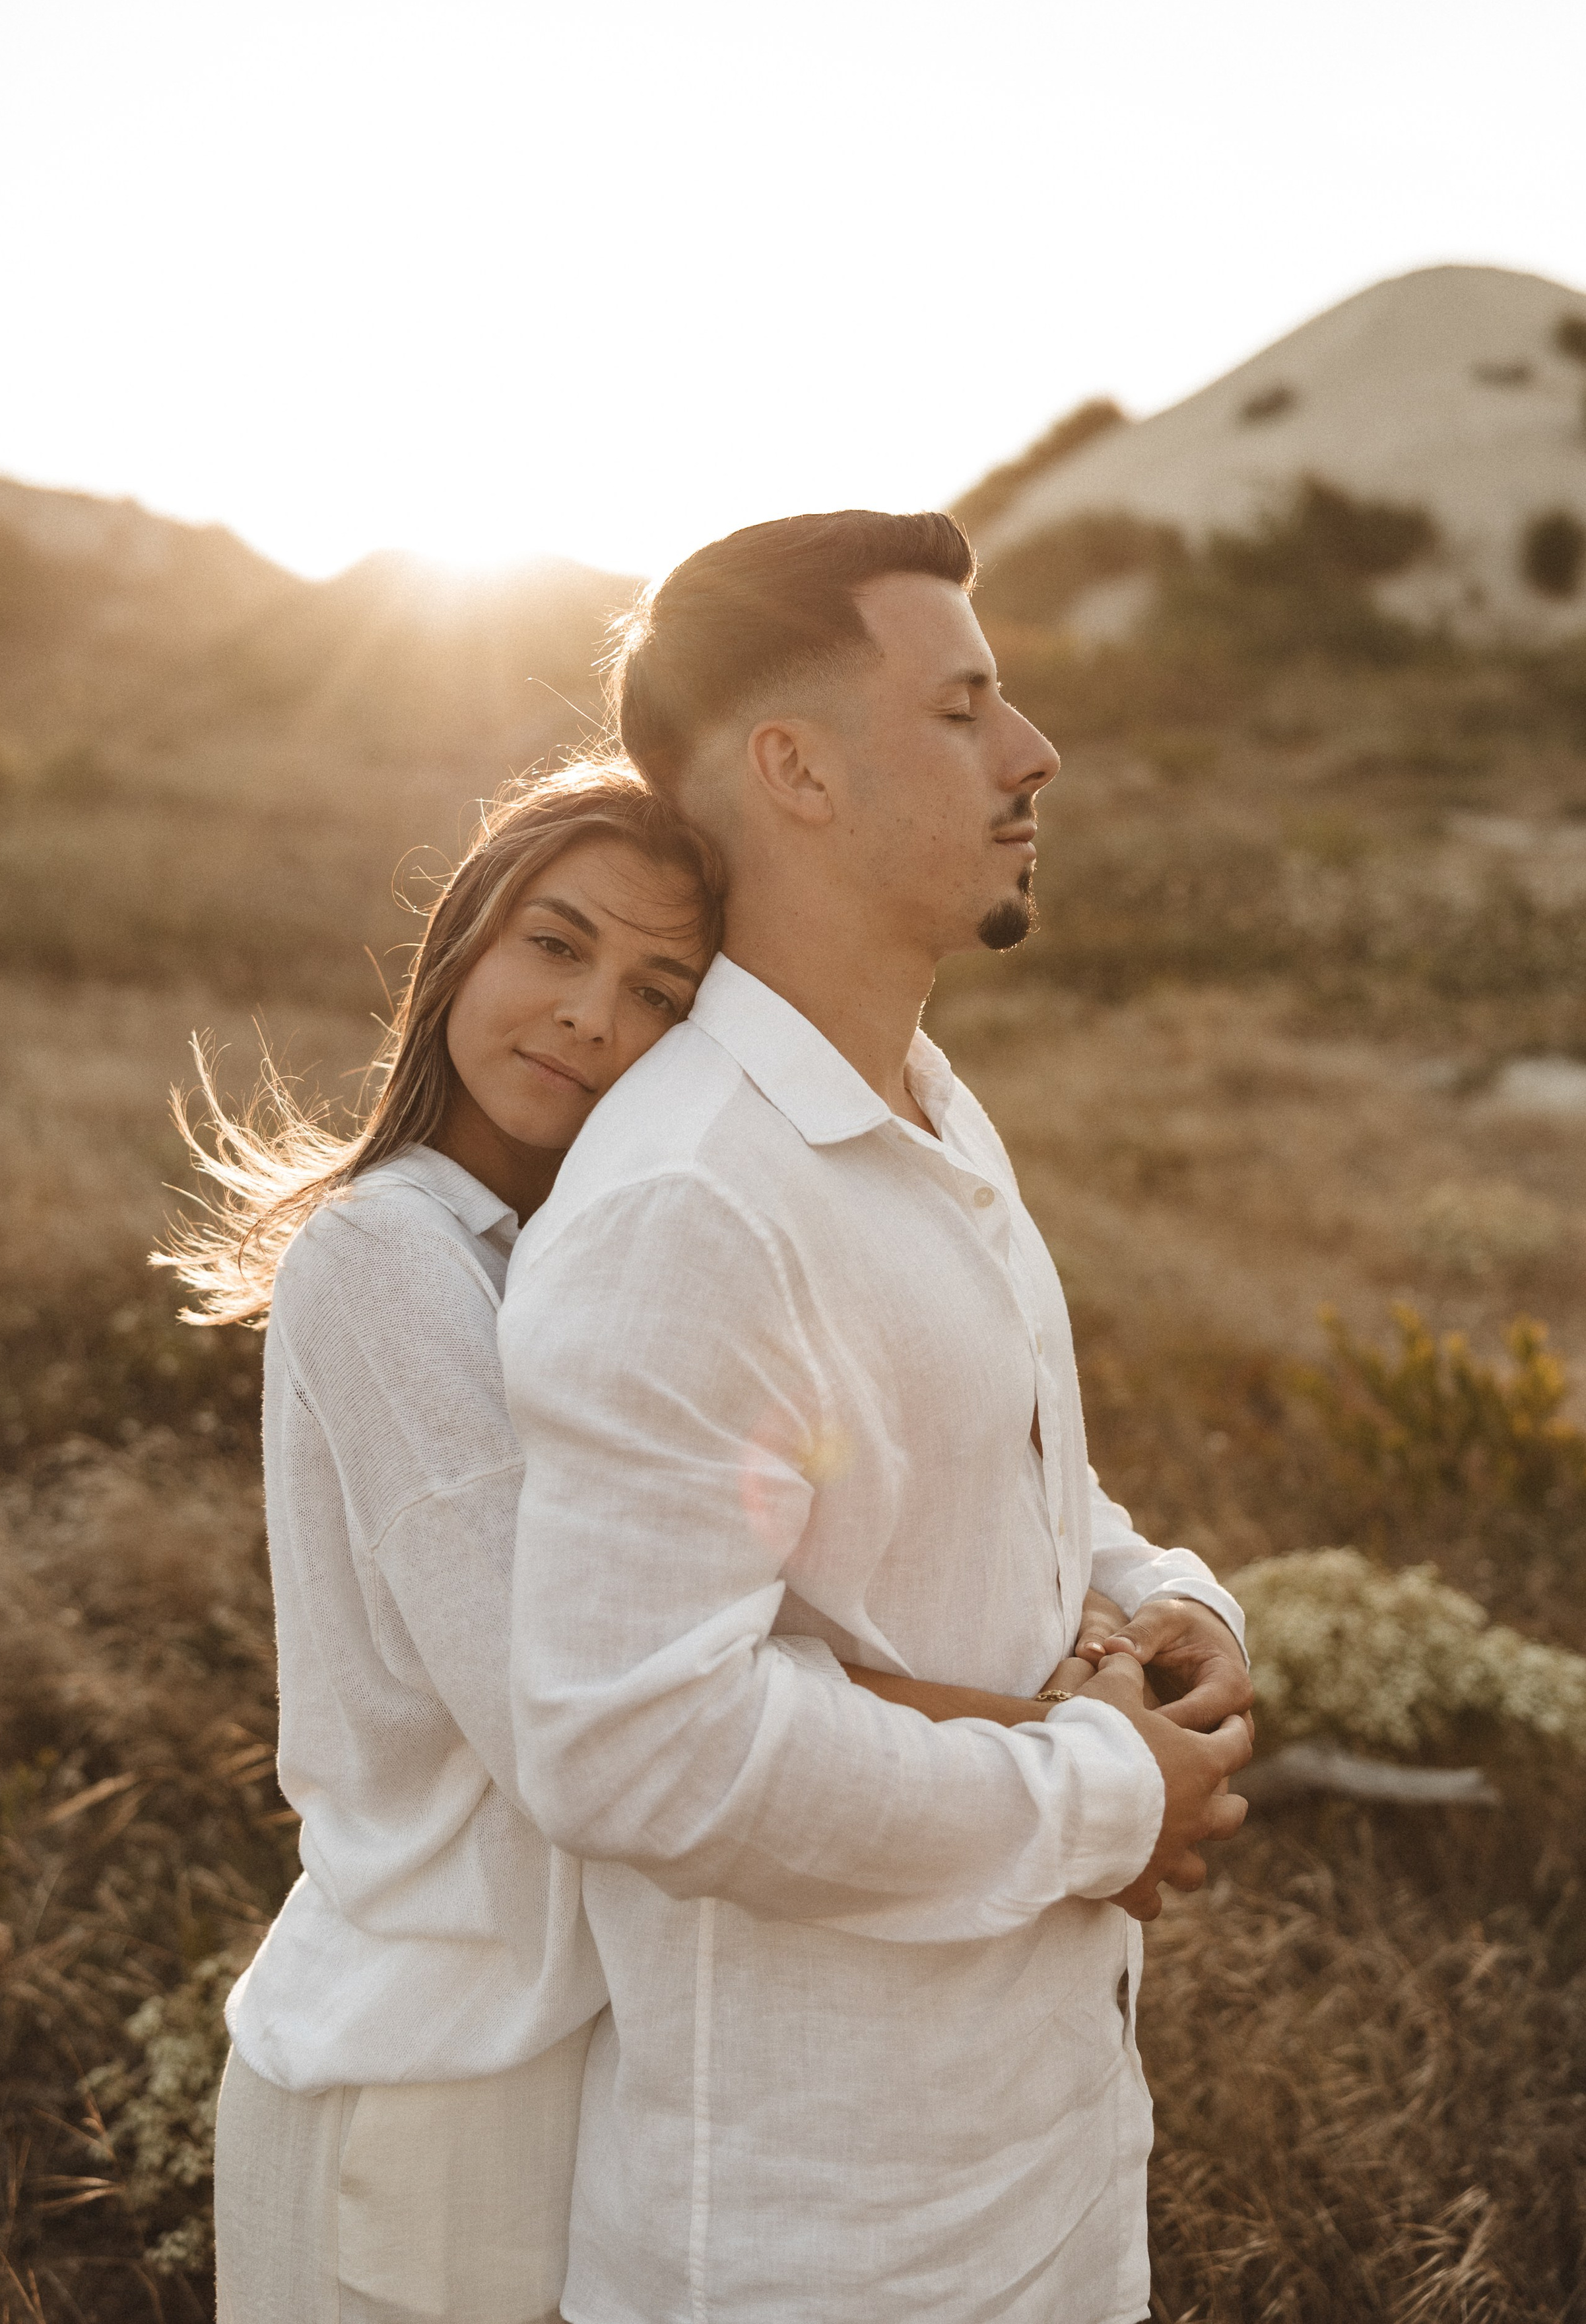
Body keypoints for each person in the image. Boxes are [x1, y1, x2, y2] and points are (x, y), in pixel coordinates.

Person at [167, 755, 1118, 2323]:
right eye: (554, 943)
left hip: (573, 2061)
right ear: (461, 940)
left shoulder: (576, 1256)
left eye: (659, 988)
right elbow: (581, 1710)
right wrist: (1071, 1746)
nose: (590, 1016)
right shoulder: (386, 1258)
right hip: (421, 2082)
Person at [500, 511, 1256, 2324]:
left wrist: (1168, 1595)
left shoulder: (918, 1096)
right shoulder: (692, 1196)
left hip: (1045, 2175)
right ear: (797, 770)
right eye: (968, 705)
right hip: (823, 2251)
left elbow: (994, 1464)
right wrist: (1102, 1793)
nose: (1034, 752)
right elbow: (638, 1747)